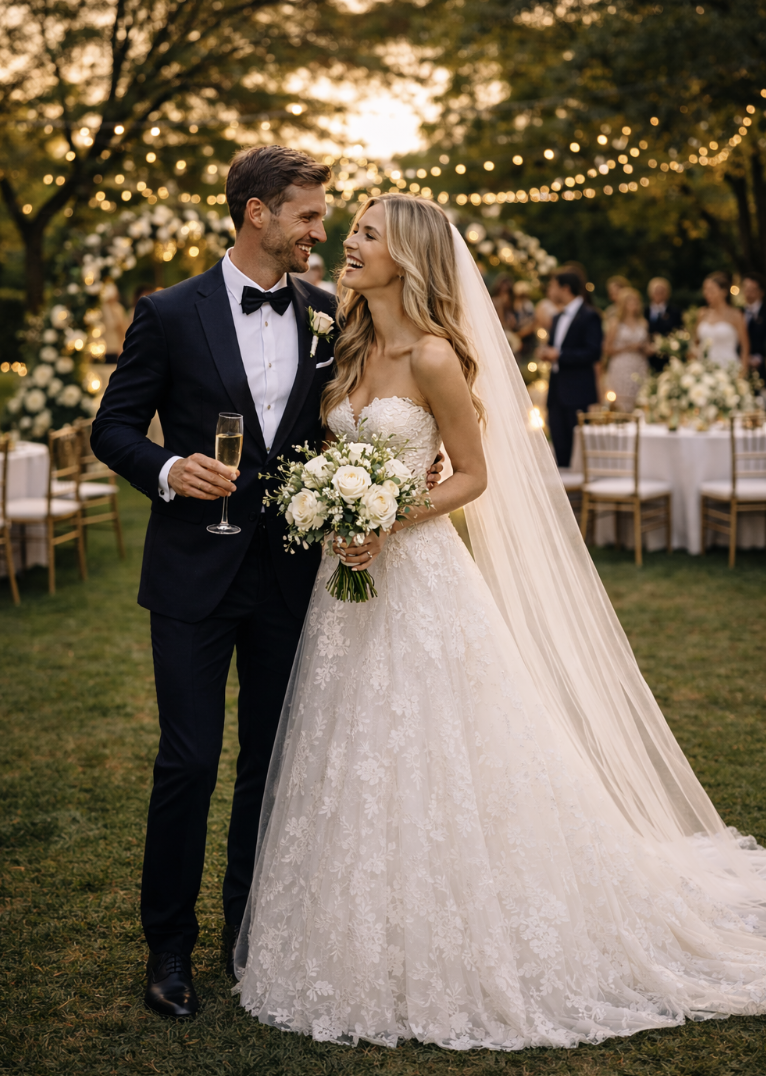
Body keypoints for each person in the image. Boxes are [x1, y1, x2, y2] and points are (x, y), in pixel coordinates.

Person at [234, 194, 766, 1051]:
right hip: (342, 586)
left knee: (444, 747)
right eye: (352, 232)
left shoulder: (437, 356)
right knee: (350, 750)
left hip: (418, 580)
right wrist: (334, 508)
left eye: (366, 233)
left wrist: (389, 515)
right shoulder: (344, 343)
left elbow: (473, 474)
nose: (348, 246)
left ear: (406, 255)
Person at [92, 146, 441, 1020]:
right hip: (190, 575)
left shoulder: (333, 315)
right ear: (258, 214)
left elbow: (367, 422)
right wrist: (171, 469)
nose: (322, 234)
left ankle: (248, 930)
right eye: (310, 217)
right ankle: (168, 947)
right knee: (188, 760)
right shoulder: (169, 312)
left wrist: (404, 484)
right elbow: (114, 428)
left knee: (273, 765)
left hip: (296, 576)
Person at [538, 270, 602, 467]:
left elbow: (594, 353)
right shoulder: (557, 318)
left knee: (578, 448)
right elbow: (556, 347)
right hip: (557, 389)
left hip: (578, 390)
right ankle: (565, 490)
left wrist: (560, 355)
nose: (550, 290)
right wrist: (547, 353)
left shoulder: (590, 316)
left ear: (565, 288)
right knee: (558, 441)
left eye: (553, 286)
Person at [602, 287, 650, 412]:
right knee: (621, 402)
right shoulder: (615, 323)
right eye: (630, 301)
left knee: (640, 400)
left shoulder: (643, 323)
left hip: (639, 364)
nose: (633, 304)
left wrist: (646, 347)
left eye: (636, 301)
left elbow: (648, 345)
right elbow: (607, 349)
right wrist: (628, 347)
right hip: (621, 365)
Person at [695, 271, 749, 375]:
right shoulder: (702, 314)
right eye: (705, 289)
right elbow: (696, 342)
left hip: (729, 369)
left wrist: (742, 373)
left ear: (724, 292)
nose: (706, 293)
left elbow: (745, 347)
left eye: (711, 290)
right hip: (704, 370)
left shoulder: (736, 315)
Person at [645, 277, 683, 372]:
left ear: (667, 293)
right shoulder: (644, 312)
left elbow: (680, 333)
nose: (658, 294)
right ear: (650, 293)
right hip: (647, 359)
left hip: (669, 358)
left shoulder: (676, 312)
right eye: (656, 291)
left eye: (662, 291)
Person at [742, 273, 766, 375]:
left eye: (752, 289)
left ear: (761, 292)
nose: (748, 293)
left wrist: (760, 358)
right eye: (746, 289)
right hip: (741, 364)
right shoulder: (738, 313)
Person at [100, 281, 128, 362]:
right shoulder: (100, 309)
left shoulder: (118, 309)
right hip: (101, 349)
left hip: (115, 349)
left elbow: (123, 331)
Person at [511, 280, 537, 360]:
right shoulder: (514, 304)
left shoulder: (527, 305)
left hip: (525, 337)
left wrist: (520, 334)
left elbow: (532, 323)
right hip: (515, 334)